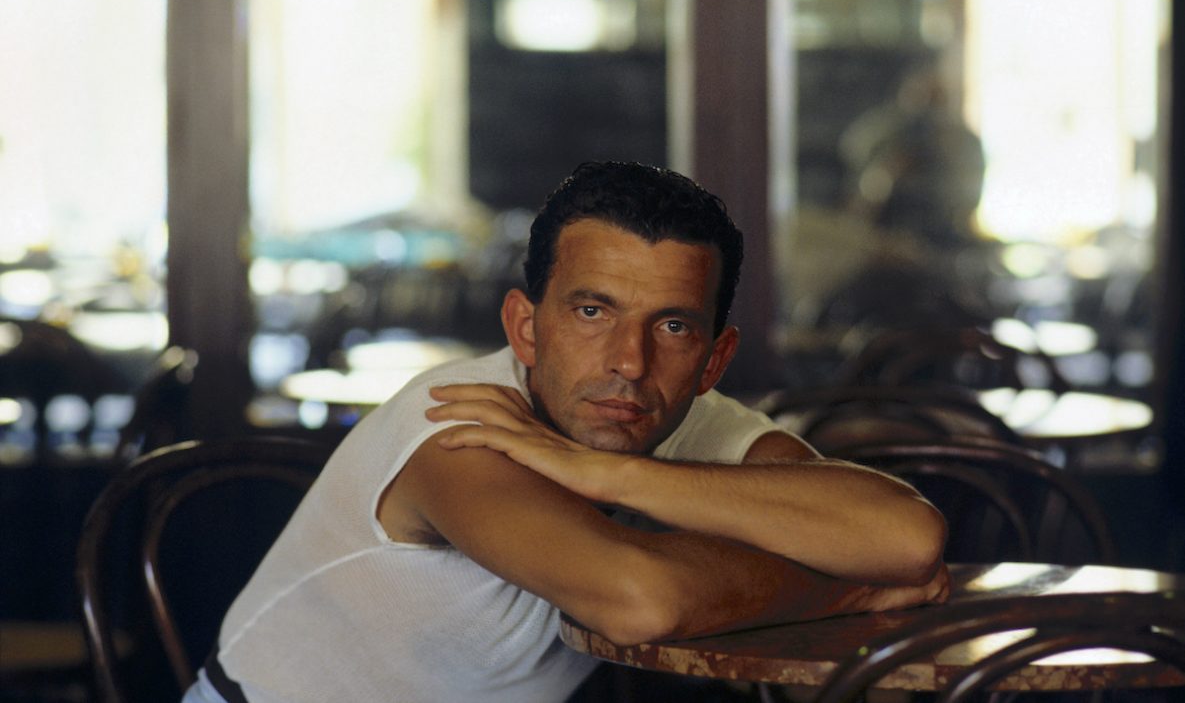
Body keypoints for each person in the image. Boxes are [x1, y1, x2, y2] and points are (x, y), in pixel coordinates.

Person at [184, 161, 948, 703]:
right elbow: (637, 599)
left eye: (672, 326)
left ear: (713, 358)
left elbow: (905, 536)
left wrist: (610, 473)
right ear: (525, 326)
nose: (628, 361)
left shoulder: (674, 414)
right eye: (591, 311)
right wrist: (850, 588)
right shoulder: (457, 422)